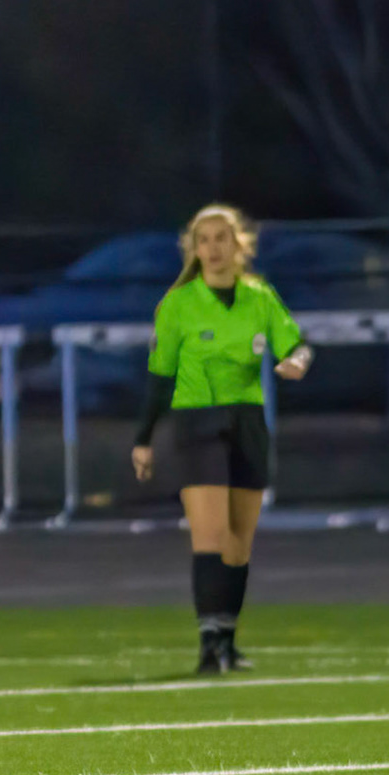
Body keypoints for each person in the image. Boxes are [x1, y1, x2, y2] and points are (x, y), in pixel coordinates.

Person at [132, 204, 313, 674]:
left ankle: (228, 640)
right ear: (193, 250)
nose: (212, 248)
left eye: (221, 239)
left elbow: (294, 343)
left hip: (247, 422)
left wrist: (297, 361)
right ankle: (209, 643)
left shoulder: (260, 297)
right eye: (204, 240)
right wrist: (144, 438)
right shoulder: (179, 304)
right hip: (197, 424)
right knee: (210, 535)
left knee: (238, 543)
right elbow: (160, 375)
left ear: (239, 246)